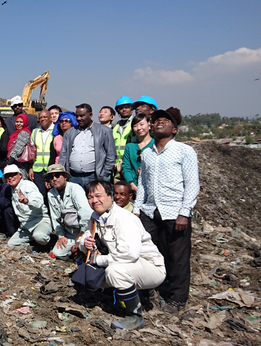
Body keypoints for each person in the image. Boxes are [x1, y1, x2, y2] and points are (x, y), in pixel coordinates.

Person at [134, 107, 199, 313]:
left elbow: (192, 184)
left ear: (174, 130)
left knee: (177, 256)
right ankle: (153, 289)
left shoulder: (184, 151)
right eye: (157, 120)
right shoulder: (147, 154)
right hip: (150, 212)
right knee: (151, 253)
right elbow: (143, 184)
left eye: (165, 120)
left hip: (175, 213)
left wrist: (184, 212)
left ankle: (177, 298)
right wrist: (137, 210)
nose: (159, 122)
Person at [79, 180, 165, 330]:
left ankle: (135, 316)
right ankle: (117, 297)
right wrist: (84, 243)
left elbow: (129, 254)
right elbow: (85, 237)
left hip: (150, 265)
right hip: (127, 264)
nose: (94, 201)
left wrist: (98, 260)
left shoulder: (125, 219)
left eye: (99, 196)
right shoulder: (95, 217)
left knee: (115, 272)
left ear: (110, 197)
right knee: (85, 273)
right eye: (90, 197)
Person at [59, 104, 116, 188]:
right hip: (73, 177)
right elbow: (63, 154)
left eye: (82, 116)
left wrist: (104, 174)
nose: (78, 118)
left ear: (90, 115)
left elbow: (111, 154)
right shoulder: (70, 132)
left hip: (95, 177)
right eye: (77, 116)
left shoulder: (104, 131)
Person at [44, 164, 93, 259]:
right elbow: (55, 217)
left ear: (65, 177)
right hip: (69, 234)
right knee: (57, 252)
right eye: (51, 177)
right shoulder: (51, 194)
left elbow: (86, 212)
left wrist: (82, 233)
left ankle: (79, 251)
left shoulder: (75, 188)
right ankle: (74, 251)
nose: (54, 179)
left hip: (83, 231)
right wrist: (60, 235)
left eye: (57, 175)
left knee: (86, 253)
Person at [3, 165, 50, 248]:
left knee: (40, 237)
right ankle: (32, 242)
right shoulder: (11, 189)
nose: (10, 178)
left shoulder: (27, 185)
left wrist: (27, 201)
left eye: (13, 174)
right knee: (11, 244)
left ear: (20, 175)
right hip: (26, 226)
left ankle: (46, 243)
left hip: (39, 221)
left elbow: (39, 202)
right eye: (7, 176)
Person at [122, 114, 154, 194]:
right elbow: (126, 168)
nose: (139, 128)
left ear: (149, 125)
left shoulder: (156, 145)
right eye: (135, 126)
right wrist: (133, 186)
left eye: (142, 124)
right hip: (134, 187)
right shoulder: (130, 147)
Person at [30, 109, 55, 192]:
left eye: (45, 117)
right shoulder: (35, 132)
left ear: (50, 118)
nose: (42, 119)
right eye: (40, 117)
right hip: (37, 170)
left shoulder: (56, 131)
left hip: (52, 169)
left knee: (52, 194)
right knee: (40, 194)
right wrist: (30, 168)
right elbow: (31, 151)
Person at [112, 96, 136, 181]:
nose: (124, 109)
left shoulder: (136, 124)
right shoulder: (115, 127)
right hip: (116, 167)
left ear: (132, 109)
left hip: (130, 166)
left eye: (127, 107)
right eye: (121, 108)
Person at [6, 113, 34, 182]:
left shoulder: (24, 133)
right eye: (17, 122)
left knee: (19, 185)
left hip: (21, 165)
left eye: (21, 122)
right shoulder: (16, 133)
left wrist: (9, 164)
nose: (18, 124)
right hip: (16, 163)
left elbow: (17, 150)